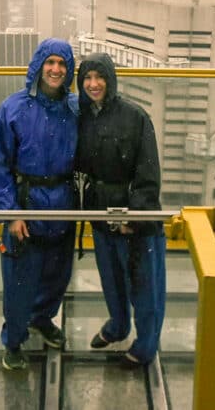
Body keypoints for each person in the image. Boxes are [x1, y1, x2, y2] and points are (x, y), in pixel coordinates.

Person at [0, 37, 78, 371]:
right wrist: (10, 214)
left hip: (63, 205)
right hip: (25, 205)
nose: (55, 70)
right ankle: (13, 340)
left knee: (56, 275)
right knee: (19, 281)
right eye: (50, 62)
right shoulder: (13, 109)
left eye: (62, 64)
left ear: (69, 71)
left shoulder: (74, 110)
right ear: (38, 65)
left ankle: (42, 319)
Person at [76, 52, 166, 368]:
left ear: (111, 80)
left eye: (100, 77)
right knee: (111, 280)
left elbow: (149, 172)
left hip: (134, 219)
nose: (93, 84)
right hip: (101, 215)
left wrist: (135, 217)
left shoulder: (135, 117)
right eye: (87, 77)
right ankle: (118, 327)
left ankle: (145, 348)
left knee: (144, 288)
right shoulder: (83, 116)